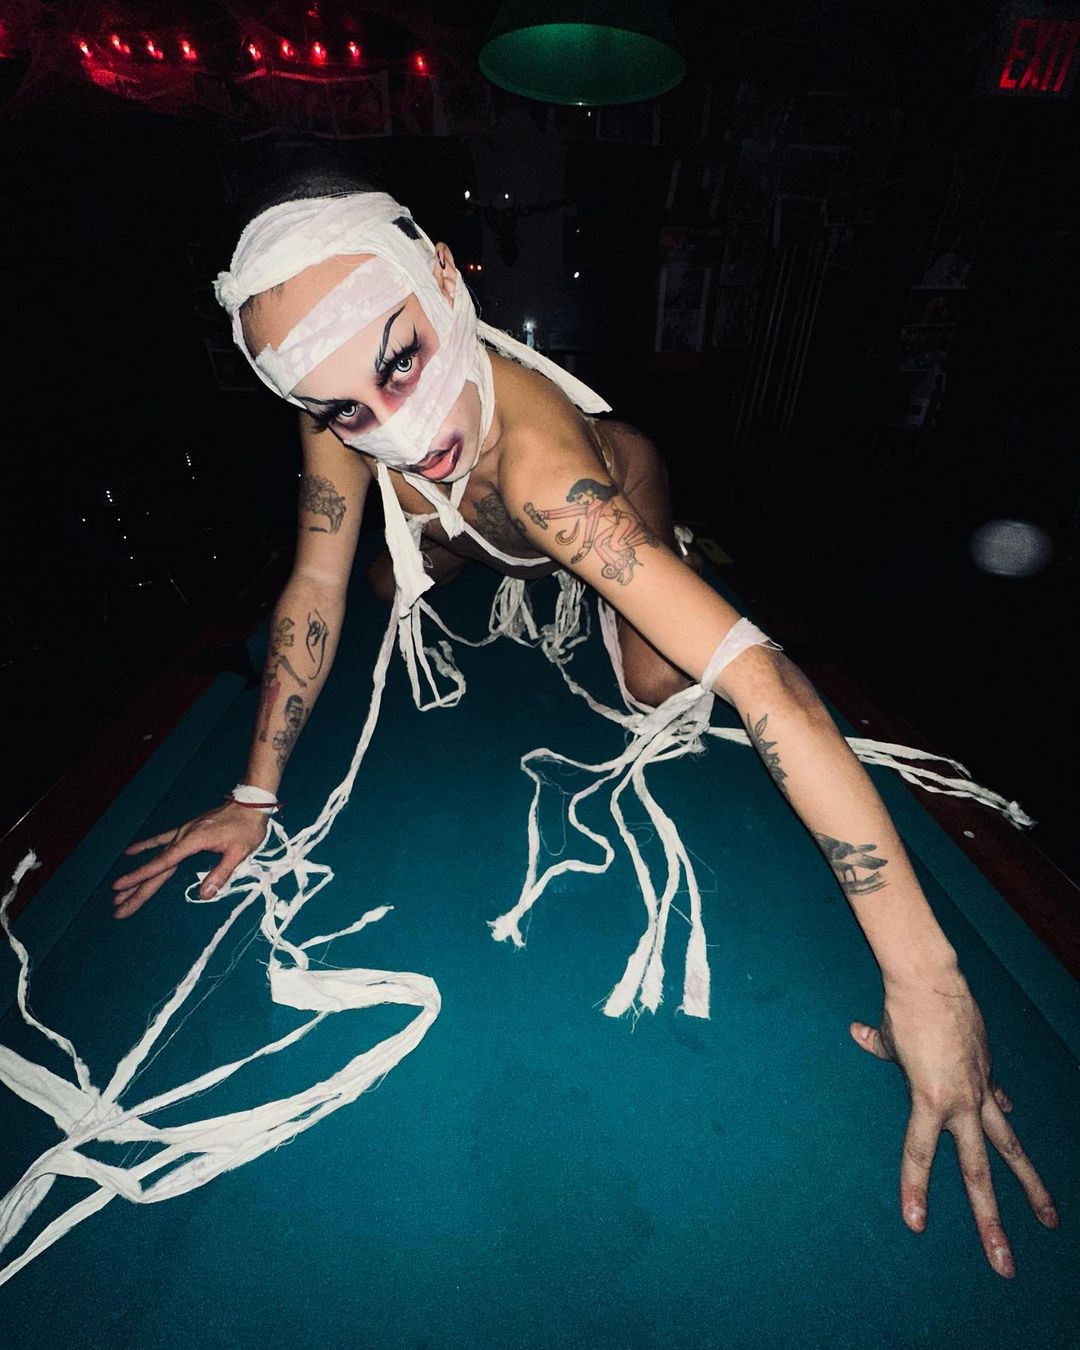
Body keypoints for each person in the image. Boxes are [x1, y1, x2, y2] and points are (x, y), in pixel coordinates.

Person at [110, 163, 1056, 1278]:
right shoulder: (350, 415)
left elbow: (771, 689)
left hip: (598, 490)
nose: (397, 425)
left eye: (401, 362)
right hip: (467, 521)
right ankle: (477, 554)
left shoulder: (551, 476)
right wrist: (255, 793)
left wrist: (929, 983)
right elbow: (314, 587)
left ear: (446, 279)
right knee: (379, 582)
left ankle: (652, 560)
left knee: (654, 682)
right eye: (344, 409)